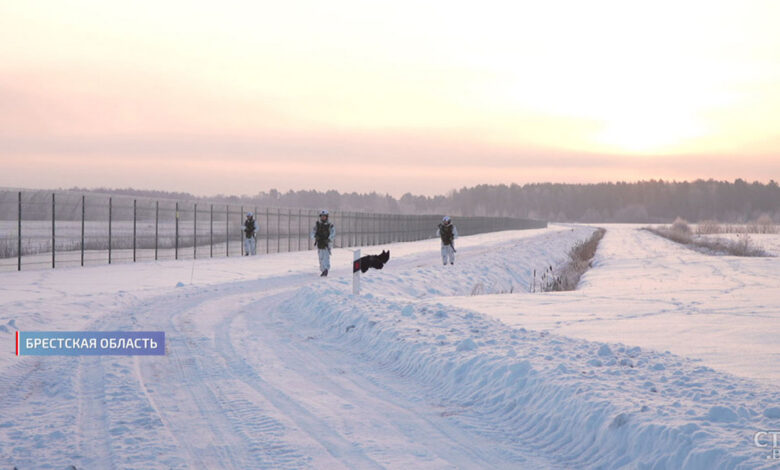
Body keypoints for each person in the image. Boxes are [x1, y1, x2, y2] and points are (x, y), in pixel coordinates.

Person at [310, 209, 335, 276]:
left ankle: (326, 270)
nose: (323, 217)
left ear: (327, 217)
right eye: (322, 216)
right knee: (321, 257)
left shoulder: (330, 225)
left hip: (326, 244)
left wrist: (328, 239)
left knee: (326, 257)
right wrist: (315, 236)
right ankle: (323, 270)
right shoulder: (317, 225)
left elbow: (333, 233)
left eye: (324, 216)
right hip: (320, 244)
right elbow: (312, 233)